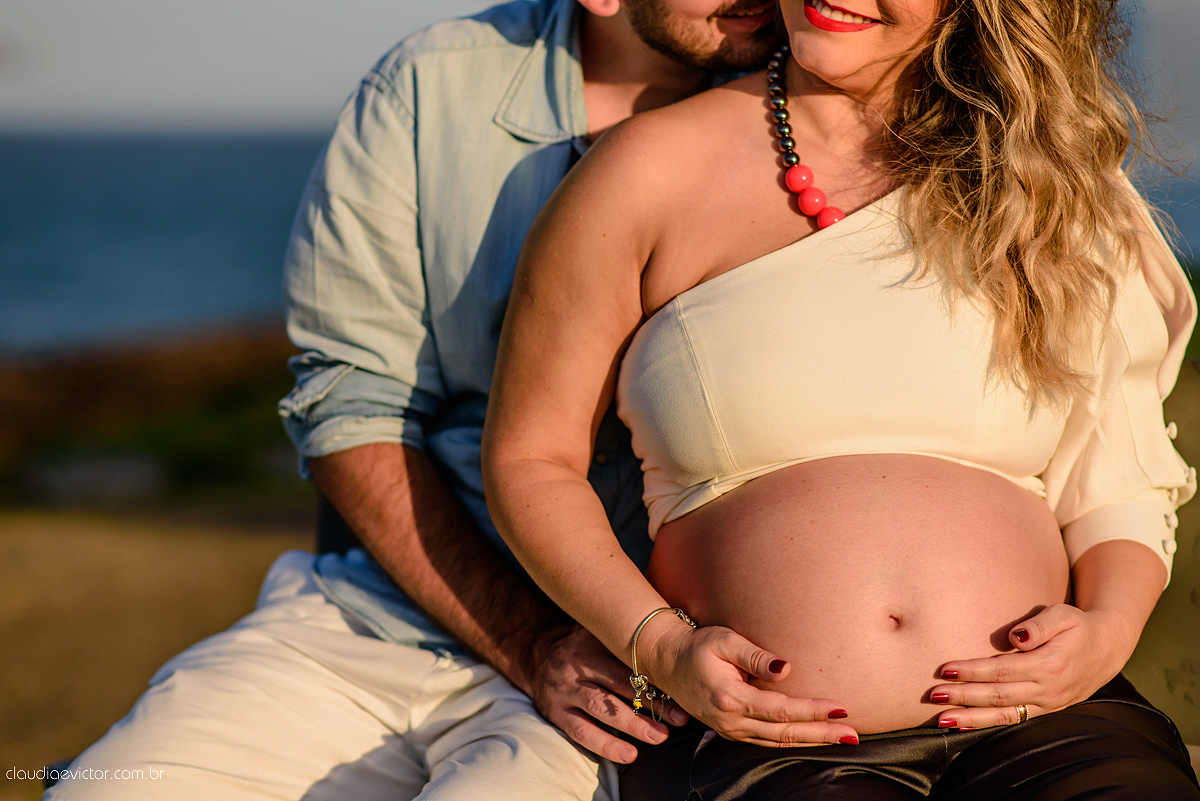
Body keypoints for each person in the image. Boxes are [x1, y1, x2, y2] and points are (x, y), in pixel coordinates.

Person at [44, 2, 796, 800]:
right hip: (384, 619)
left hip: (625, 674)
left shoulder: (806, 107)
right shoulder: (429, 87)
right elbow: (351, 404)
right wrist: (529, 639)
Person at [481, 0, 1200, 796]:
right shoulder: (644, 170)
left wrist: (1106, 633)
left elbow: (1122, 479)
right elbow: (530, 458)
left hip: (1048, 725)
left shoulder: (1049, 184)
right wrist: (657, 648)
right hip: (762, 741)